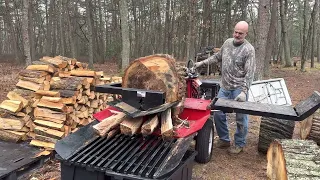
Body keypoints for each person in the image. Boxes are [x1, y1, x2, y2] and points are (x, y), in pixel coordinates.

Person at [193, 21, 256, 154]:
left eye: (240, 33)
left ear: (246, 34)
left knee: (241, 118)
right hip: (225, 87)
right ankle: (224, 140)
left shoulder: (249, 50)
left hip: (239, 88)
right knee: (217, 113)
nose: (237, 35)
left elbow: (250, 74)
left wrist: (244, 92)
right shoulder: (227, 43)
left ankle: (239, 144)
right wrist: (201, 63)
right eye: (236, 32)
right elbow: (217, 57)